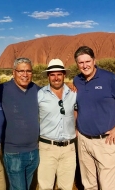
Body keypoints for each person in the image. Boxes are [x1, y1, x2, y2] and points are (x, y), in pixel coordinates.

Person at [73, 46, 115, 190]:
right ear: (77, 64)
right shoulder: (77, 80)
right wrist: (76, 128)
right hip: (83, 141)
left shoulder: (109, 79)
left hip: (106, 141)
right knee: (89, 185)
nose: (85, 65)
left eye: (88, 61)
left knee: (107, 186)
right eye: (81, 63)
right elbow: (77, 106)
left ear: (94, 60)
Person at [0, 57, 40, 190]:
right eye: (21, 71)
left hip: (34, 152)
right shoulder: (2, 90)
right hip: (13, 153)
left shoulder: (37, 90)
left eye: (28, 71)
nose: (25, 74)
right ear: (13, 72)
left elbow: (56, 95)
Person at [37, 59, 77, 190]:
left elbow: (77, 110)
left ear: (64, 74)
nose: (56, 78)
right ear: (48, 76)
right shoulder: (40, 94)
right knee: (45, 186)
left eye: (59, 74)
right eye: (52, 74)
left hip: (69, 148)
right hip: (47, 147)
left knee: (66, 187)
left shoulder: (74, 93)